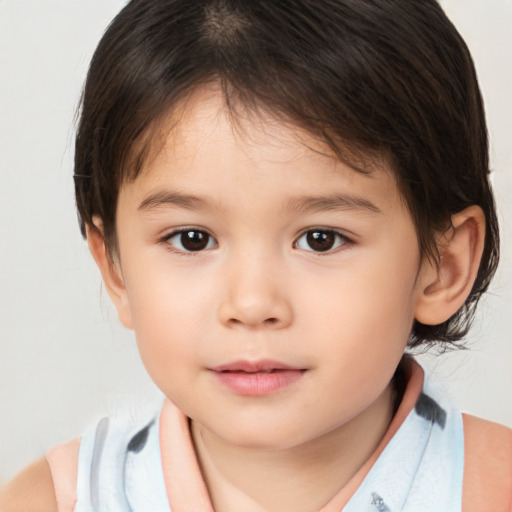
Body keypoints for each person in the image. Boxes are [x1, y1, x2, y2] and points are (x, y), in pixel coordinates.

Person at [1, 0, 510, 510]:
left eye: (321, 239)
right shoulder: (56, 500)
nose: (250, 303)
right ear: (115, 268)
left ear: (444, 267)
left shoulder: (493, 489)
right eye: (192, 239)